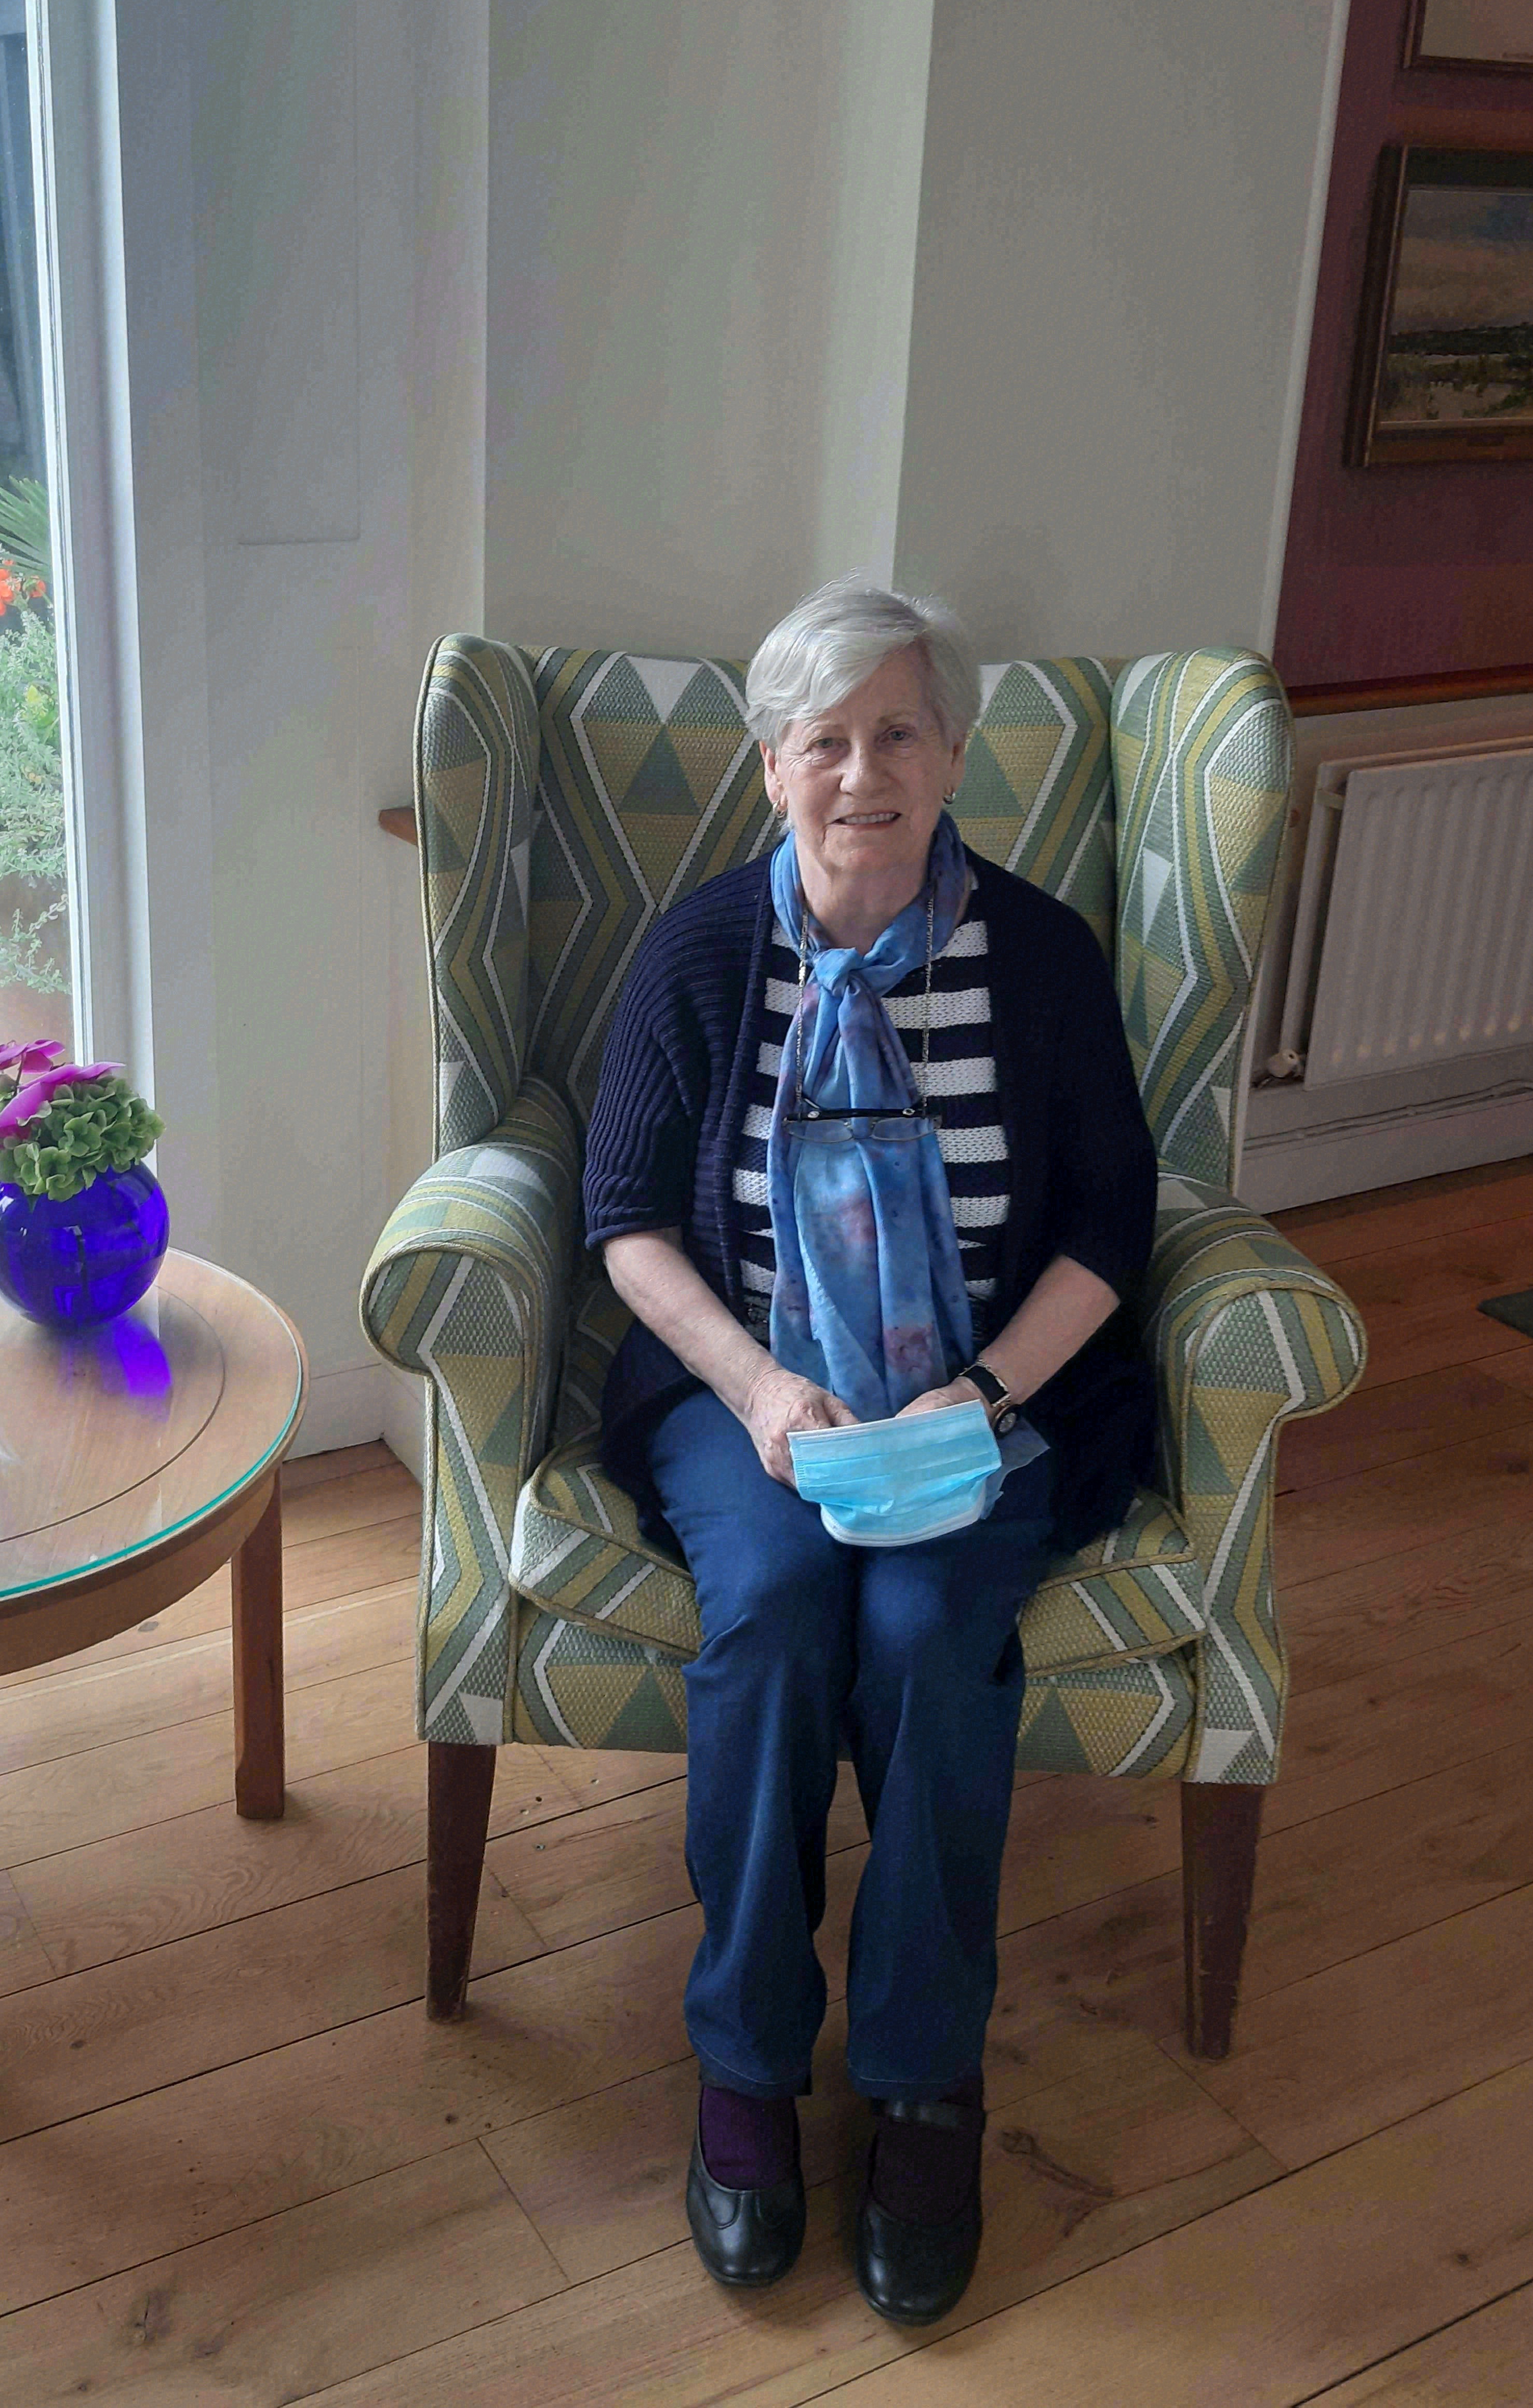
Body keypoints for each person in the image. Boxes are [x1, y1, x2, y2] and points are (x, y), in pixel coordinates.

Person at [581, 573, 1157, 2324]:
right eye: (823, 739)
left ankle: (921, 2079)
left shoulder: (1039, 959)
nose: (861, 772)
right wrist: (761, 1389)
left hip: (980, 1405)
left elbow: (1107, 1227)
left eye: (897, 732)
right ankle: (746, 2063)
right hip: (747, 1401)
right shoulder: (701, 955)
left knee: (921, 1634)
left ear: (952, 754)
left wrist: (980, 1397)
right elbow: (624, 1218)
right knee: (769, 1616)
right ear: (769, 765)